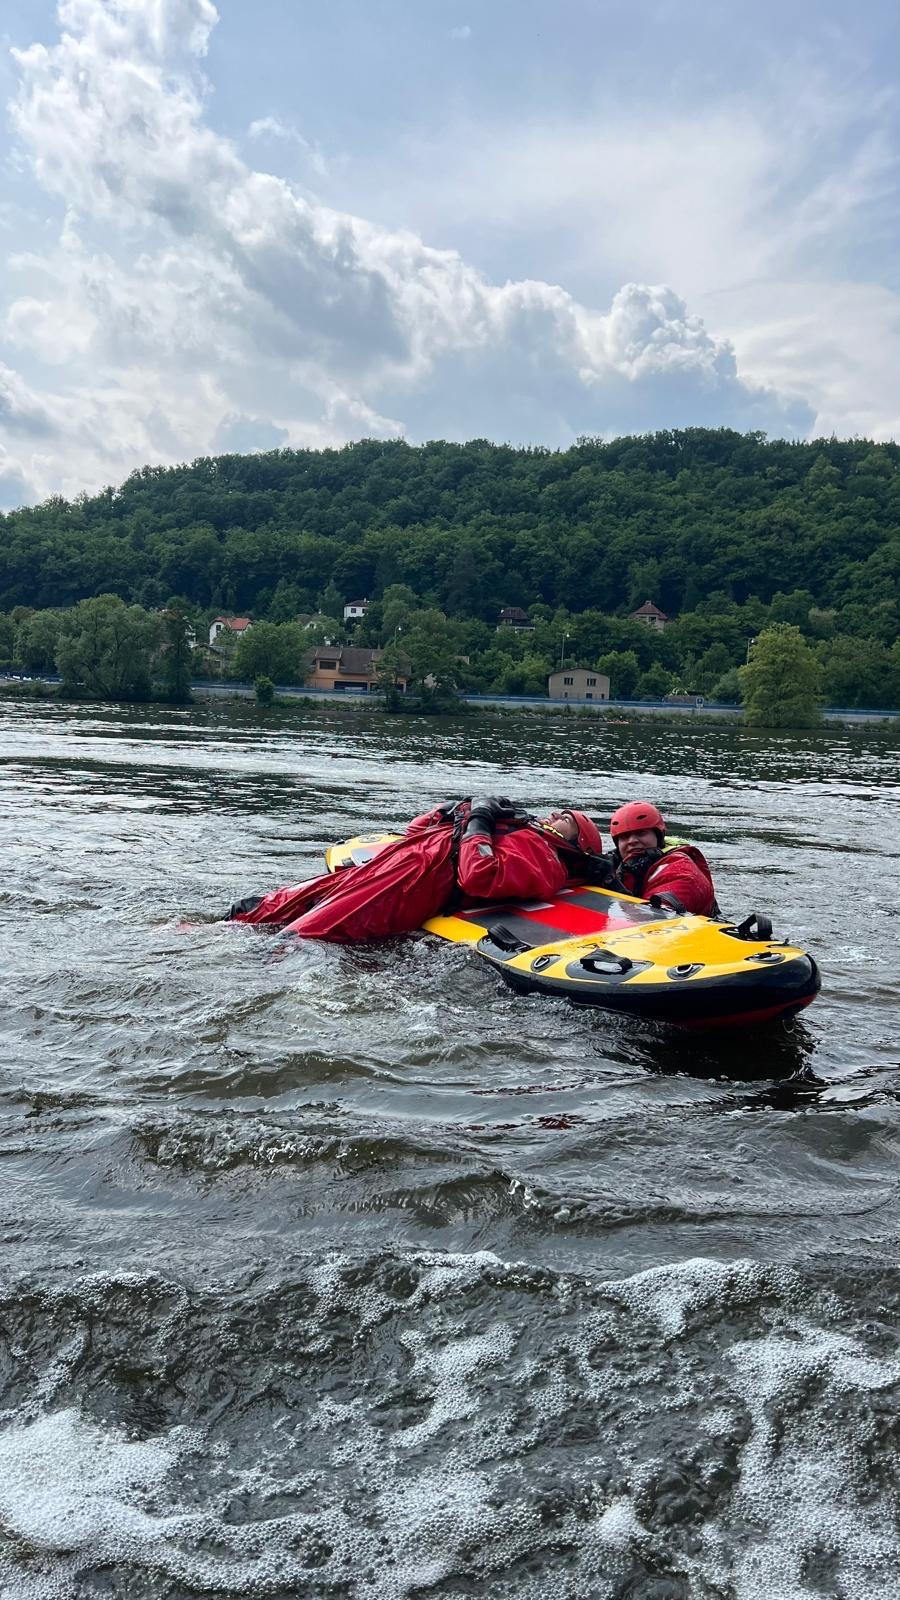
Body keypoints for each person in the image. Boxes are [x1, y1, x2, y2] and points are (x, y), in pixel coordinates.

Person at [229, 797, 607, 940]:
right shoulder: (523, 831)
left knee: (305, 934)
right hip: (403, 859)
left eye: (567, 820)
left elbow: (479, 875)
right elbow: (415, 831)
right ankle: (221, 929)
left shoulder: (547, 858)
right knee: (260, 908)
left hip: (417, 879)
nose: (555, 815)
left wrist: (478, 821)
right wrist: (450, 811)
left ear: (578, 845)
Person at [608, 801, 718, 916]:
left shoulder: (681, 871)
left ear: (658, 836)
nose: (632, 841)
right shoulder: (614, 865)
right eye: (624, 837)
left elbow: (654, 917)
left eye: (641, 833)